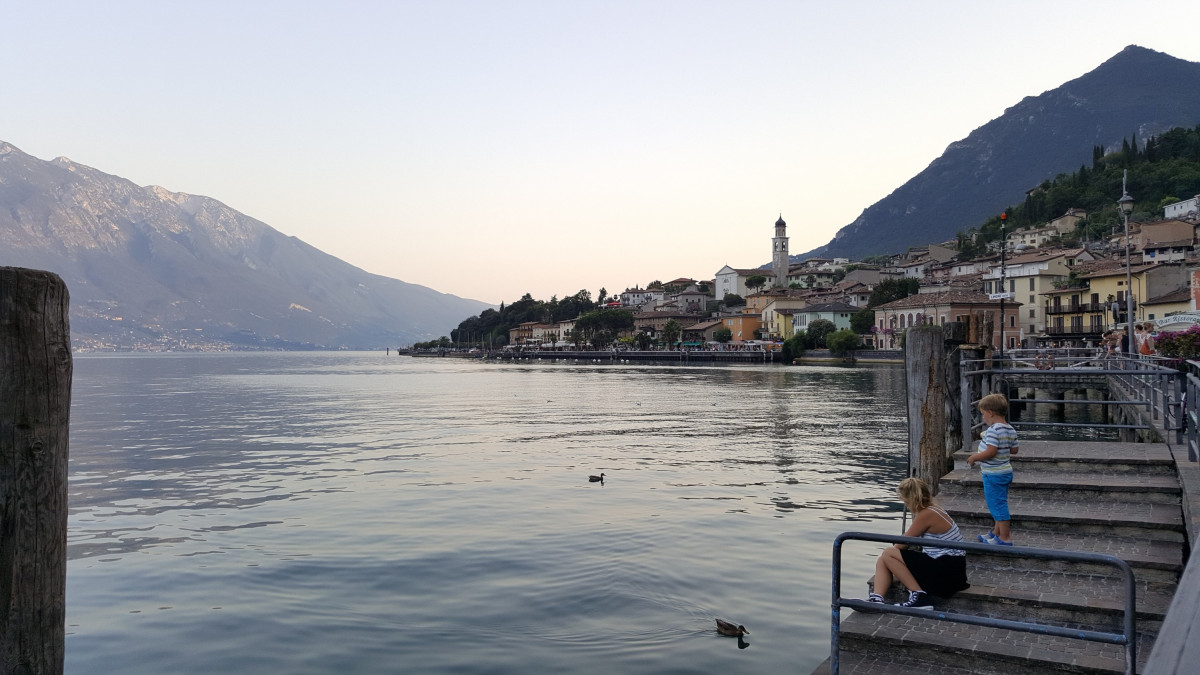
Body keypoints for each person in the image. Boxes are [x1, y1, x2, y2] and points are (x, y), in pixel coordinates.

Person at [866, 477, 969, 609]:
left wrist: (895, 551)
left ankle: (920, 597)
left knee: (887, 554)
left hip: (946, 575)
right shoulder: (935, 509)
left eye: (905, 500)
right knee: (883, 559)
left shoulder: (926, 515)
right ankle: (876, 599)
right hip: (953, 572)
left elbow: (901, 545)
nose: (905, 504)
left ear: (910, 499)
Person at [968, 393, 1019, 546]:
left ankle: (1004, 538)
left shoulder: (993, 430)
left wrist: (974, 457)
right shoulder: (1010, 429)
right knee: (999, 502)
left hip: (993, 474)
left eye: (983, 414)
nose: (983, 418)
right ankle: (995, 533)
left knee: (997, 505)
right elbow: (1014, 450)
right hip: (1005, 471)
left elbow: (991, 451)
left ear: (990, 412)